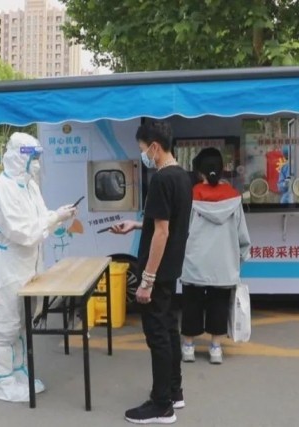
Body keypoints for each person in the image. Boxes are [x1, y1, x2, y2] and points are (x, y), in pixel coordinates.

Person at [0, 132, 77, 403]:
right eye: (33, 158)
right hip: (6, 267)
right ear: (20, 157)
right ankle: (2, 380)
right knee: (3, 326)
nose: (37, 164)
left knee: (20, 324)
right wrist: (54, 218)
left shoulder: (29, 186)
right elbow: (22, 231)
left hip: (26, 267)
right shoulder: (2, 188)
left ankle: (17, 372)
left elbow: (40, 219)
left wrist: (58, 216)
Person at [109, 120, 192, 424]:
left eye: (143, 149)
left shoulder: (160, 180)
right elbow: (166, 222)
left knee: (157, 336)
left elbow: (162, 232)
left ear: (155, 147)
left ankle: (161, 405)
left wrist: (146, 280)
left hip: (157, 271)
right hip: (171, 269)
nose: (142, 155)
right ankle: (174, 391)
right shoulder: (182, 176)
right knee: (168, 330)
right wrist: (135, 224)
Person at [180, 149, 251, 364]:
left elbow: (182, 230)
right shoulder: (234, 197)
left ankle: (188, 347)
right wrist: (240, 256)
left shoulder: (190, 196)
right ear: (221, 171)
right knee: (219, 305)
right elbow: (242, 233)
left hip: (194, 263)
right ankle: (215, 348)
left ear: (199, 172)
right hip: (224, 264)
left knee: (191, 304)